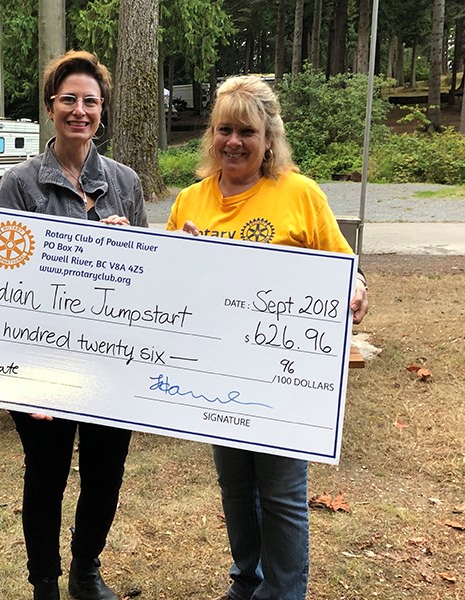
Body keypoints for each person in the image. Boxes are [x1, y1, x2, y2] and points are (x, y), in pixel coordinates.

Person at [166, 75, 369, 600]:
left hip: (282, 379)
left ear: (269, 139)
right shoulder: (189, 201)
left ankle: (283, 592)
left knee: (281, 493)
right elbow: (163, 289)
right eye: (224, 130)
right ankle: (247, 580)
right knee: (236, 489)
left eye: (246, 132)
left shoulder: (299, 194)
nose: (233, 142)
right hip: (213, 375)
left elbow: (343, 265)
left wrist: (358, 287)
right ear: (211, 136)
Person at [0, 50, 148, 600]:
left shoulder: (125, 182)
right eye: (68, 100)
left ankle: (87, 568)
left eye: (90, 101)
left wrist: (125, 247)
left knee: (105, 472)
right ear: (51, 108)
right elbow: (2, 270)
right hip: (42, 360)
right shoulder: (19, 184)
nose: (78, 110)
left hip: (108, 360)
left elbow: (145, 275)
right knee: (46, 474)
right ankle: (44, 583)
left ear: (102, 110)